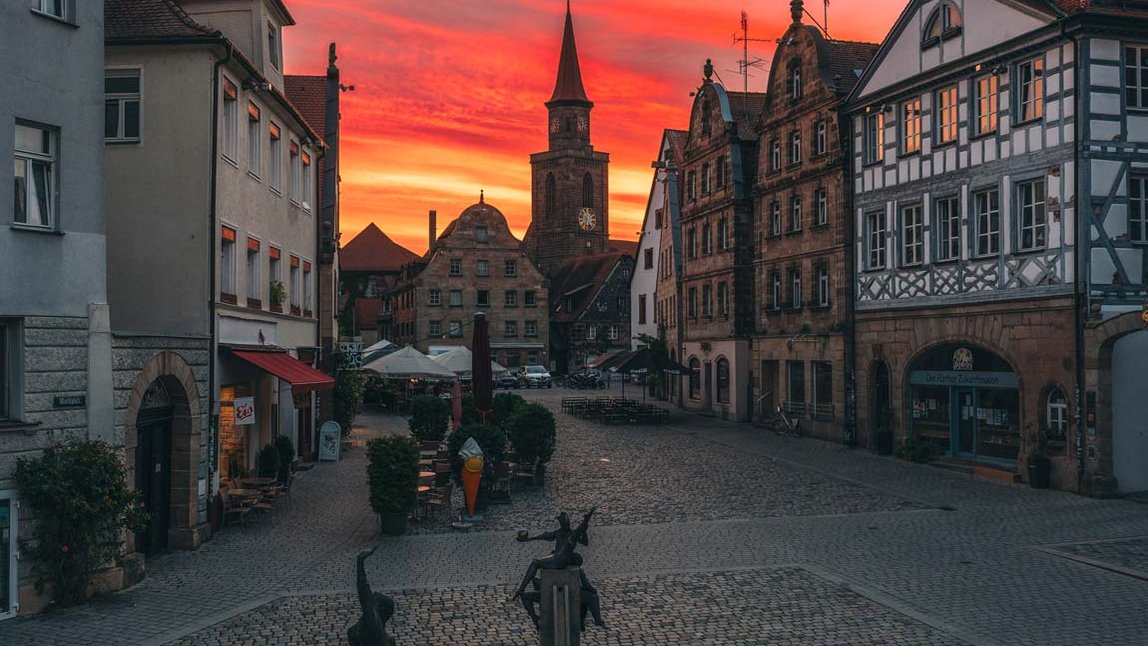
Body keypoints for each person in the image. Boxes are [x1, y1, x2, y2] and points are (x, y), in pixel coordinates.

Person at [513, 509, 605, 629]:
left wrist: (585, 530)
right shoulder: (560, 533)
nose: (566, 525)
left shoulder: (570, 535)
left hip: (563, 559)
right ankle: (534, 615)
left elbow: (584, 541)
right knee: (540, 562)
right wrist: (529, 539)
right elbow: (545, 536)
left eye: (567, 523)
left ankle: (522, 590)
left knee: (538, 562)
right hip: (558, 558)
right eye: (564, 523)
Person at [348, 545, 396, 646]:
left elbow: (363, 590)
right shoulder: (387, 640)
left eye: (375, 599)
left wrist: (360, 561)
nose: (374, 595)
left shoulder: (371, 627)